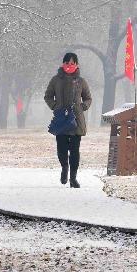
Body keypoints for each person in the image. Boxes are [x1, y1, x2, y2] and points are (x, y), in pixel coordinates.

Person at [44, 52, 92, 188]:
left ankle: (73, 178)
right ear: (63, 64)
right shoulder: (55, 80)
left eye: (72, 63)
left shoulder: (81, 81)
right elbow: (47, 96)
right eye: (67, 63)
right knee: (62, 149)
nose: (69, 65)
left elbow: (88, 98)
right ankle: (64, 168)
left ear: (76, 64)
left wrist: (83, 106)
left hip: (76, 120)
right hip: (61, 119)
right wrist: (55, 106)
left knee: (75, 150)